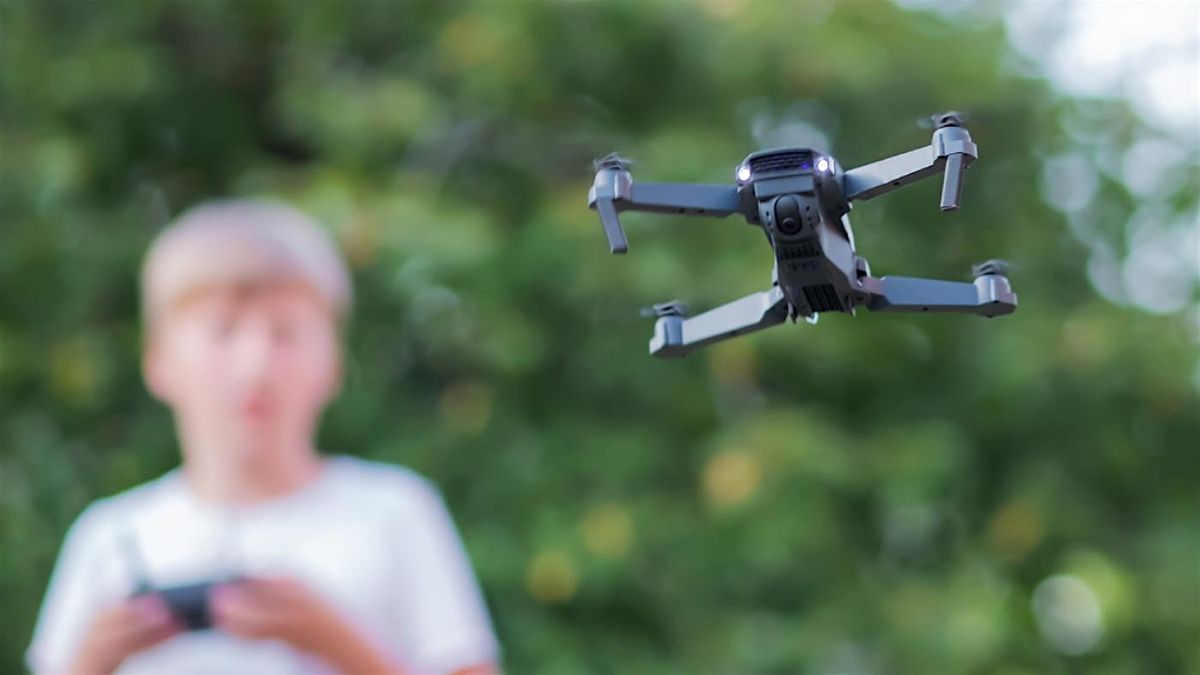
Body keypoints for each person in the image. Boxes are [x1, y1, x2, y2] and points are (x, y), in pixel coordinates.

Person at [26, 200, 501, 675]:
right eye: (222, 331)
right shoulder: (107, 538)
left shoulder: (395, 514)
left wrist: (338, 646)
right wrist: (89, 663)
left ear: (334, 362)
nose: (255, 364)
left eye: (284, 334)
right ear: (159, 360)